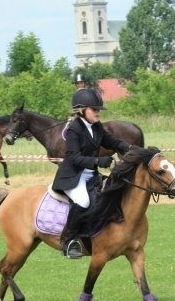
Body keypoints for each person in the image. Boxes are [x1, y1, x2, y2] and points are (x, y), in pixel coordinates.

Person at [53, 88, 135, 259]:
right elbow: (75, 157)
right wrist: (98, 161)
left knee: (110, 192)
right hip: (73, 176)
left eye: (98, 109)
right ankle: (68, 241)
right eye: (94, 109)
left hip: (91, 174)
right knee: (82, 201)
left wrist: (132, 149)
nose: (98, 113)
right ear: (81, 110)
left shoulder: (96, 127)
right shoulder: (74, 129)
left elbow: (111, 141)